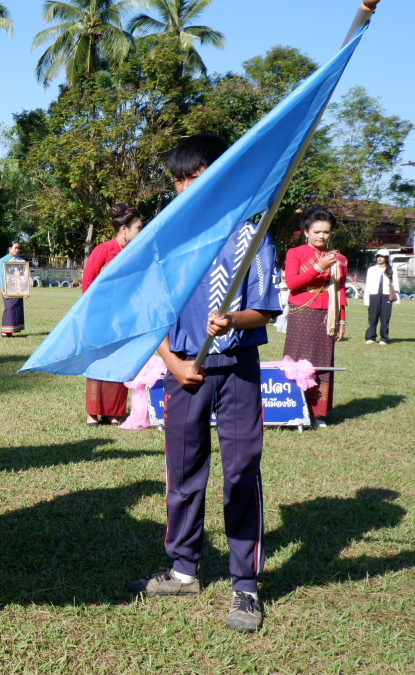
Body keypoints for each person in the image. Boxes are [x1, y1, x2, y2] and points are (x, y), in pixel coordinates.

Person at [126, 133, 280, 634]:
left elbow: (265, 308)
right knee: (184, 468)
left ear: (221, 174)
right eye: (178, 180)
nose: (185, 188)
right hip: (185, 372)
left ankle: (245, 583)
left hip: (236, 367)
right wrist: (171, 363)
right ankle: (183, 569)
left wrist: (232, 319)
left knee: (241, 470)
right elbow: (150, 312)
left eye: (195, 176)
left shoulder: (252, 235)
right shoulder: (168, 238)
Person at [282, 205, 347, 427]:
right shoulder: (295, 253)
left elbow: (340, 290)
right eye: (317, 231)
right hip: (301, 312)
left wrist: (341, 320)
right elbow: (292, 283)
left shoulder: (338, 258)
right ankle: (294, 407)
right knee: (299, 360)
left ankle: (317, 413)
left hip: (327, 315)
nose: (321, 236)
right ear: (306, 232)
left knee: (322, 362)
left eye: (326, 232)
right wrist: (318, 267)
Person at [80, 205, 143, 424]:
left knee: (120, 361)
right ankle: (92, 413)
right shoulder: (103, 250)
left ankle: (113, 412)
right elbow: (87, 285)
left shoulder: (137, 254)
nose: (141, 232)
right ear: (124, 229)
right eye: (138, 228)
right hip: (101, 317)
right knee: (98, 361)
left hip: (125, 318)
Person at [363, 249, 400, 345]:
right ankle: (370, 337)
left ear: (386, 258)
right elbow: (368, 285)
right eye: (378, 256)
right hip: (373, 294)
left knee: (385, 317)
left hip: (387, 294)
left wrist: (397, 298)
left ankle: (384, 337)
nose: (379, 258)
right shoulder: (371, 269)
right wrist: (366, 300)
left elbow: (395, 284)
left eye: (382, 257)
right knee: (372, 317)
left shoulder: (392, 269)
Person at [0, 241, 26, 337]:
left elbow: (24, 277)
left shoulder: (21, 261)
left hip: (18, 288)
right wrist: (2, 290)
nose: (17, 250)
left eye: (18, 248)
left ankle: (12, 330)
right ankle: (4, 331)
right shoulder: (3, 260)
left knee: (17, 308)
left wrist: (25, 291)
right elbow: (1, 275)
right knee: (9, 307)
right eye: (15, 248)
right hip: (8, 287)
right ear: (10, 248)